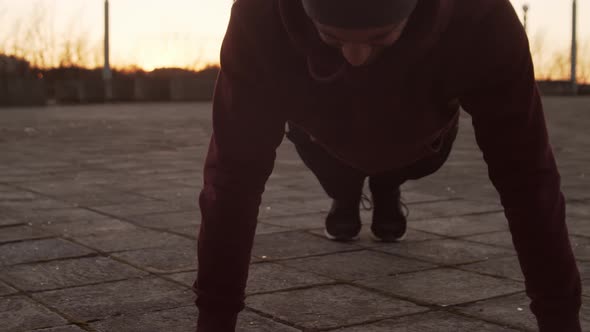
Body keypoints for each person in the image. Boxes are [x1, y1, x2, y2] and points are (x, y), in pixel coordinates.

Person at [194, 0, 582, 331]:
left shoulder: (482, 17)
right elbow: (232, 177)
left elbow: (528, 179)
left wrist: (560, 318)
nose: (355, 58)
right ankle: (347, 195)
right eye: (331, 37)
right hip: (324, 141)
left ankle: (385, 186)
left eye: (379, 38)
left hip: (420, 143)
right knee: (338, 171)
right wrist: (214, 318)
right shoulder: (258, 17)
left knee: (391, 165)